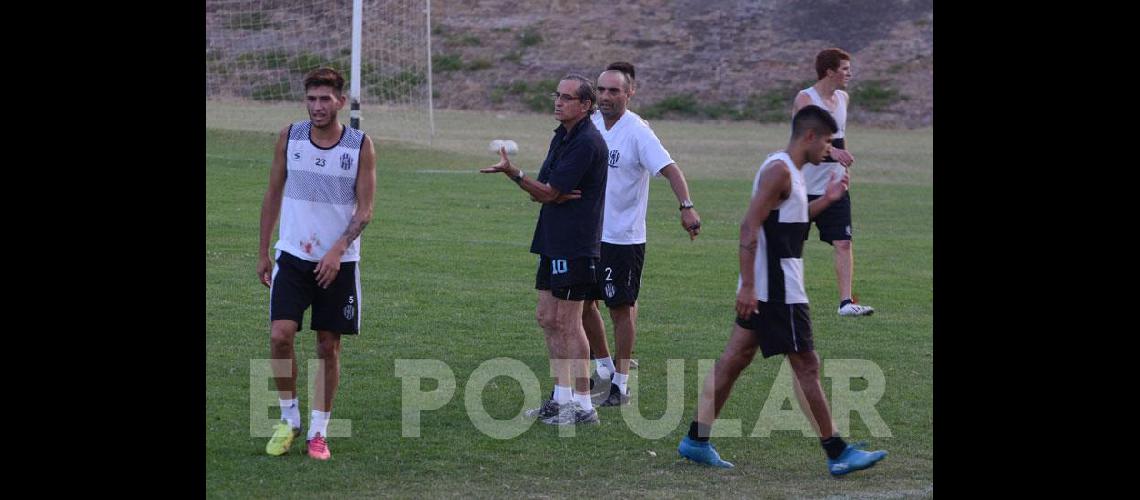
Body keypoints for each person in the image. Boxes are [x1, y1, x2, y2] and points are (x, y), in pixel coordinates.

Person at [677, 105, 887, 475]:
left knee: (734, 359)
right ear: (809, 136)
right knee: (807, 364)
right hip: (776, 289)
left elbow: (790, 220)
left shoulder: (793, 172)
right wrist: (749, 286)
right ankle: (837, 452)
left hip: (776, 284)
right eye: (826, 141)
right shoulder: (779, 170)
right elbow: (749, 227)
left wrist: (829, 200)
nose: (829, 148)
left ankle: (696, 439)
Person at [257, 67, 377, 460]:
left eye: (325, 99)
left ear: (341, 102)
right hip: (292, 256)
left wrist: (337, 250)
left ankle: (318, 432)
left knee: (328, 346)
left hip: (338, 263)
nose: (317, 106)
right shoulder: (289, 138)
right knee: (280, 335)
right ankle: (289, 418)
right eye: (311, 99)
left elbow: (365, 210)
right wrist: (263, 252)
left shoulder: (359, 145)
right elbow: (272, 195)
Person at [480, 73, 609, 426]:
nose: (559, 101)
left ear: (585, 106)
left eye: (567, 97)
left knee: (569, 323)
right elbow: (547, 187)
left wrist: (516, 176)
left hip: (576, 243)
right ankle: (561, 397)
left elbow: (547, 191)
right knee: (547, 318)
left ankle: (583, 406)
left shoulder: (586, 142)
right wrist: (546, 190)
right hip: (553, 237)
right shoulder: (563, 136)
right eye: (558, 95)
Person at [582, 62, 702, 407]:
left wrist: (686, 206)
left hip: (623, 237)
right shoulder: (590, 124)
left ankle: (621, 383)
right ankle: (604, 369)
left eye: (613, 91)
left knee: (620, 308)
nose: (605, 96)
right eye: (601, 90)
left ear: (629, 93)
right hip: (588, 234)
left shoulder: (637, 132)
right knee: (583, 304)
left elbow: (670, 169)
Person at [792, 48, 874, 316]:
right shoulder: (806, 99)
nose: (849, 74)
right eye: (845, 69)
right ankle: (784, 298)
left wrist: (843, 165)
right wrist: (834, 153)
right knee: (792, 244)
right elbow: (805, 142)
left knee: (844, 242)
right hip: (803, 187)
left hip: (835, 188)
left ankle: (846, 304)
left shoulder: (843, 98)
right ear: (829, 71)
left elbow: (839, 140)